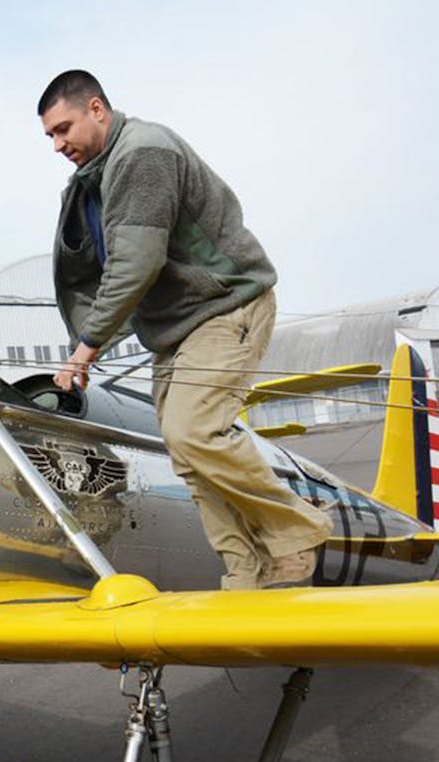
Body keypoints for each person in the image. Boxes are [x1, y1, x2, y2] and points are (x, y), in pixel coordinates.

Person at [38, 70, 331, 589]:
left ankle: (298, 527)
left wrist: (86, 348)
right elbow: (95, 269)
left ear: (97, 109)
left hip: (225, 306)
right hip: (175, 329)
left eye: (64, 129)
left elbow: (136, 264)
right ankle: (247, 568)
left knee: (194, 432)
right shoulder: (92, 184)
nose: (58, 145)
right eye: (50, 136)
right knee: (186, 453)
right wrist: (93, 334)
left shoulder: (144, 153)